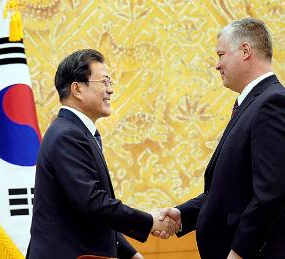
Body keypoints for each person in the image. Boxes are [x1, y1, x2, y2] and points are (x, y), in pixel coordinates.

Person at [155, 18, 285, 259]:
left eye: (221, 54)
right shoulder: (253, 104)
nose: (217, 65)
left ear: (245, 51)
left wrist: (239, 252)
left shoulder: (273, 104)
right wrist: (183, 214)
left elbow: (272, 194)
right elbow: (232, 190)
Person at [28, 49, 178, 259]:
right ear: (77, 89)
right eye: (105, 83)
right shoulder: (68, 135)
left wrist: (132, 255)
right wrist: (149, 221)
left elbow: (90, 212)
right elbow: (92, 203)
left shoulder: (77, 132)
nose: (111, 90)